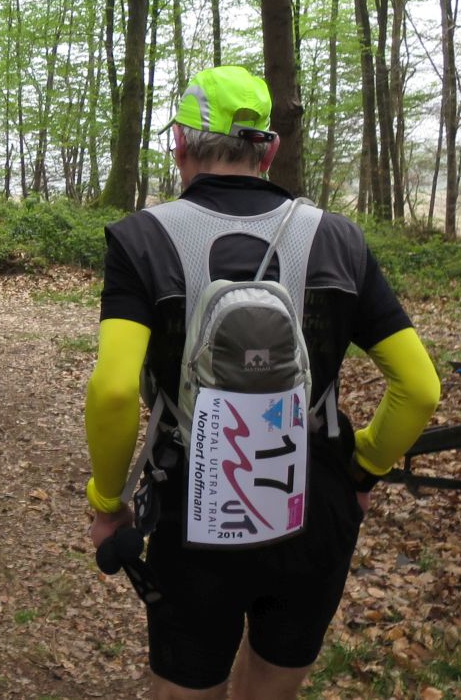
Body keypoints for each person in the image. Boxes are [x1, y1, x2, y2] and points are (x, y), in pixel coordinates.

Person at [82, 65, 440, 700]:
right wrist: (362, 472)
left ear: (180, 144)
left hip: (192, 499)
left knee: (187, 684)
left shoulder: (142, 241)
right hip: (314, 499)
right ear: (268, 150)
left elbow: (113, 392)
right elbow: (419, 387)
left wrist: (108, 501)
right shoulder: (338, 239)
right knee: (275, 683)